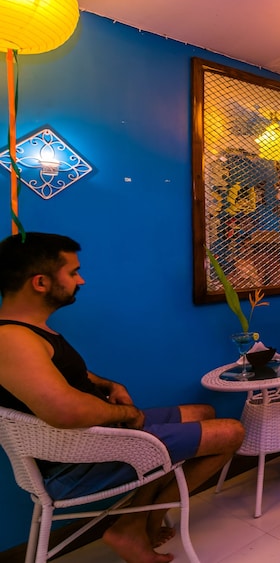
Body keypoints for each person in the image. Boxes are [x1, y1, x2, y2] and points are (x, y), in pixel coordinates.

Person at [0, 232, 245, 563]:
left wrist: (109, 385)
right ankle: (138, 524)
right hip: (76, 463)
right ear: (41, 282)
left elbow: (70, 375)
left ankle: (138, 521)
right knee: (232, 432)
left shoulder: (29, 332)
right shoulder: (11, 340)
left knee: (203, 411)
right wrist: (127, 415)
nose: (81, 280)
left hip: (96, 441)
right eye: (73, 272)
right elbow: (65, 410)